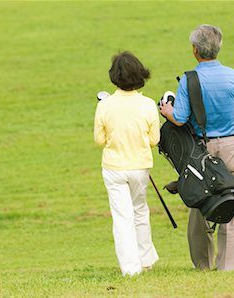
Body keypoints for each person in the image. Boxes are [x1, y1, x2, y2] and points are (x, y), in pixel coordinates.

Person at [160, 24, 234, 271]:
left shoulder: (189, 80)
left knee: (201, 201)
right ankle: (227, 266)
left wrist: (166, 111)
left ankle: (203, 263)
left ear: (195, 50)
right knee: (232, 200)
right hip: (231, 144)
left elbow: (179, 117)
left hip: (201, 150)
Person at [94, 51, 160, 276]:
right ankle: (146, 258)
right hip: (140, 167)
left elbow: (99, 140)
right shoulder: (148, 104)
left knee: (122, 217)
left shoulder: (105, 105)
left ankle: (131, 269)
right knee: (140, 210)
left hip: (114, 168)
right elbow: (154, 140)